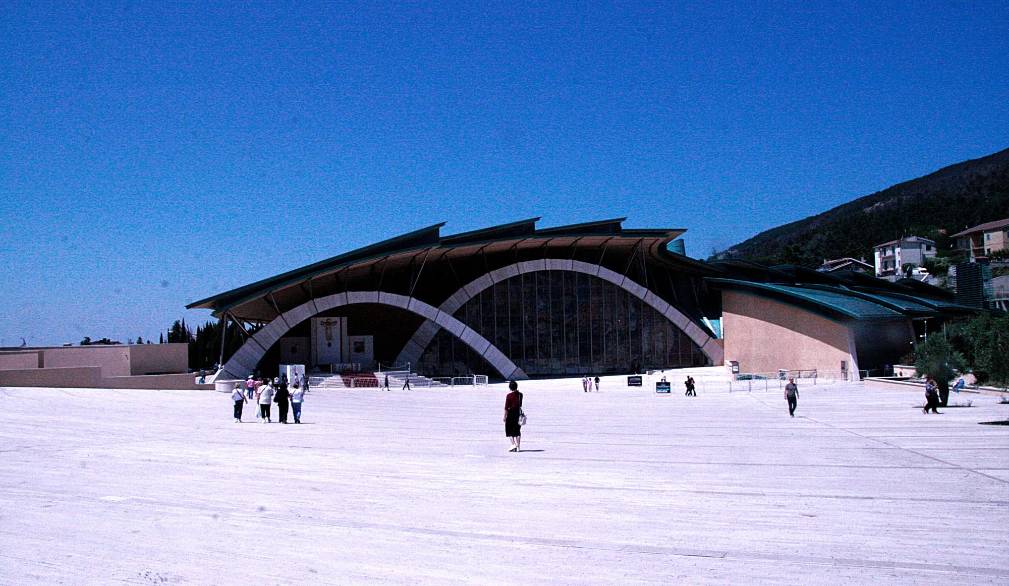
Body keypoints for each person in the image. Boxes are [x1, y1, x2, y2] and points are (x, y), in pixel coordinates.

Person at [503, 380, 524, 452]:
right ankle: (518, 447)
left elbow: (506, 407)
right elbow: (520, 404)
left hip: (510, 414)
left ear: (510, 387)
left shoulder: (509, 396)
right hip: (517, 414)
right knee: (517, 431)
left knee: (509, 430)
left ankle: (513, 444)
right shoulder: (520, 395)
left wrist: (504, 416)